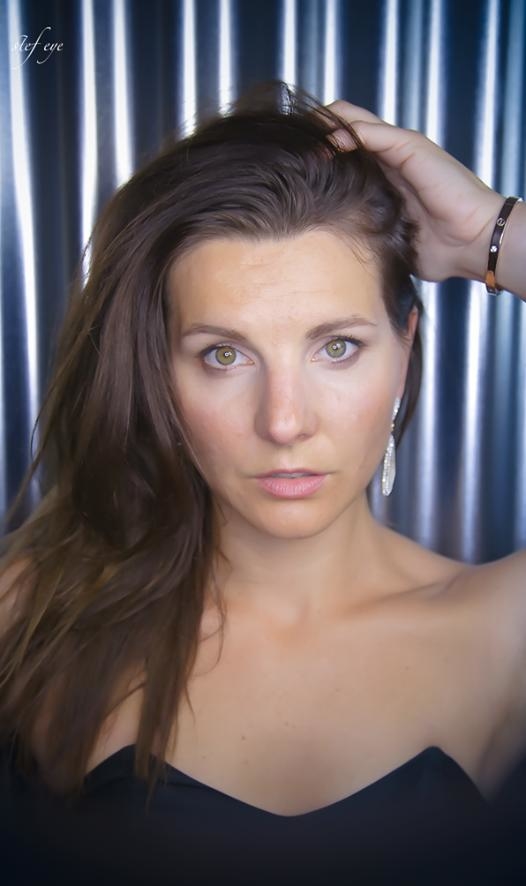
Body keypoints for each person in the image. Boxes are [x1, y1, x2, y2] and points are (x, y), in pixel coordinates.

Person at [0, 80, 525, 884]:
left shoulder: (504, 630)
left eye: (337, 348)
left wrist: (493, 235)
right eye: (223, 355)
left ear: (405, 350)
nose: (283, 422)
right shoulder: (31, 612)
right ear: (160, 373)